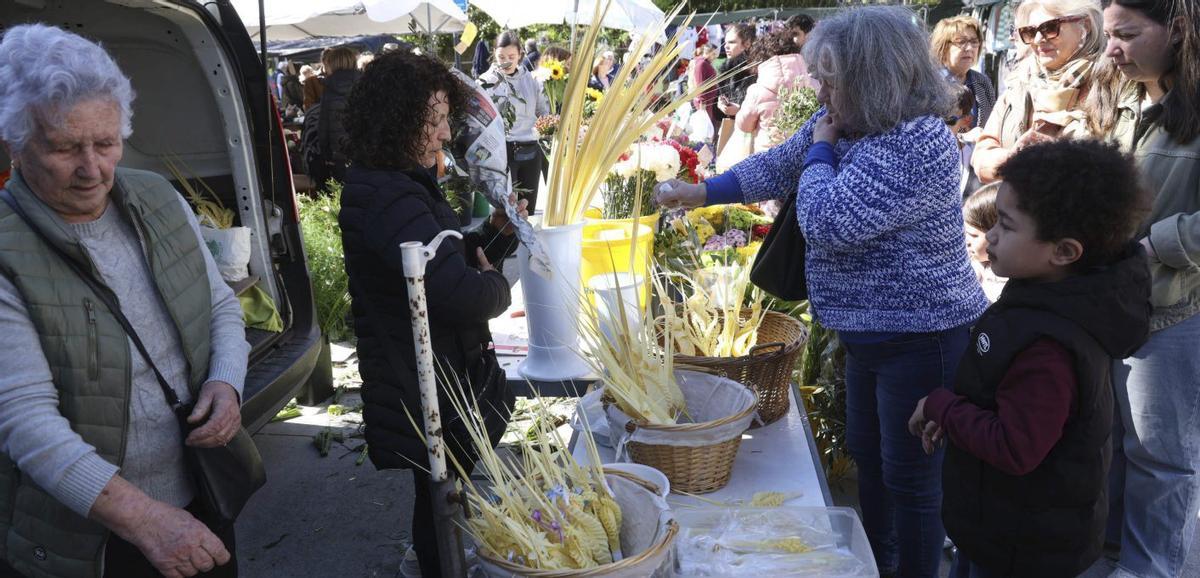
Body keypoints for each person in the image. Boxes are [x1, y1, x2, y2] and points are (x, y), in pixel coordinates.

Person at [657, 8, 987, 576]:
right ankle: (875, 562)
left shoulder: (920, 141)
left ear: (874, 77)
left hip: (920, 338)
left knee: (909, 477)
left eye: (832, 79)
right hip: (868, 336)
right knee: (870, 458)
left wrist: (822, 148)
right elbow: (777, 165)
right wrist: (698, 191)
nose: (821, 89)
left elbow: (826, 218)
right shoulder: (845, 119)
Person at [0, 24, 249, 577]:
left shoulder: (158, 198)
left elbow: (219, 307)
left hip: (200, 494)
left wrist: (226, 382)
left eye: (106, 142)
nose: (93, 169)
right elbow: (24, 421)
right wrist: (145, 520)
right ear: (15, 143)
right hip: (90, 538)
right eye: (65, 147)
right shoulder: (5, 248)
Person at [910, 140, 1152, 578]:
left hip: (1024, 547)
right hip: (1000, 527)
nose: (991, 236)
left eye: (1005, 224)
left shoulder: (1051, 346)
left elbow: (1015, 445)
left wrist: (942, 406)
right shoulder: (1043, 293)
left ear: (1063, 251)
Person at [338, 50, 528, 578]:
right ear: (402, 121)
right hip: (420, 377)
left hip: (434, 370)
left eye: (446, 119)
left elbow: (444, 255)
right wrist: (495, 285)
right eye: (437, 121)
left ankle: (441, 563)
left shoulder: (396, 184)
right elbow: (457, 293)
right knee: (440, 494)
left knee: (444, 490)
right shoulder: (386, 193)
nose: (446, 134)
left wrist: (495, 237)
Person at [1087, 0, 1200, 575]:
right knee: (1110, 445)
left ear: (1179, 28)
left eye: (1127, 35)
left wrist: (1160, 245)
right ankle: (1116, 557)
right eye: (1109, 35)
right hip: (1109, 306)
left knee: (1161, 459)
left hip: (1172, 313)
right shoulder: (1124, 102)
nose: (1111, 50)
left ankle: (1152, 568)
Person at [971, 0, 1106, 183]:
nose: (1037, 40)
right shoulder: (1020, 83)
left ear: (1086, 25)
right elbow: (981, 155)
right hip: (1013, 205)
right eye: (1030, 32)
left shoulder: (1107, 84)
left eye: (1050, 28)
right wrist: (1013, 158)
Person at [479, 31, 549, 214]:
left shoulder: (532, 79)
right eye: (501, 56)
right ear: (494, 53)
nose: (506, 61)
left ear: (520, 54)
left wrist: (550, 126)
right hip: (503, 151)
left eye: (511, 56)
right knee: (506, 209)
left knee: (529, 208)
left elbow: (542, 111)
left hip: (531, 148)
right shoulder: (486, 82)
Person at [735, 30, 812, 154]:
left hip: (769, 159)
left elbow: (744, 125)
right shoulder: (813, 83)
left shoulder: (757, 91)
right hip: (806, 154)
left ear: (758, 58)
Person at [302, 46, 359, 187]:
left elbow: (323, 126)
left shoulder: (330, 87)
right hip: (364, 153)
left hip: (338, 154)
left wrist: (326, 155)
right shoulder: (365, 83)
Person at [931, 15, 997, 131]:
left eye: (974, 42)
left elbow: (992, 125)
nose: (969, 48)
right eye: (961, 42)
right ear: (943, 46)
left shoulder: (983, 82)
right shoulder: (930, 84)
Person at [962, 184, 1007, 303]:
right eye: (964, 234)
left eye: (973, 236)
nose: (966, 242)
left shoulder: (1013, 280)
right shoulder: (975, 265)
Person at [716, 23, 757, 132]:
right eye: (725, 42)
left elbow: (764, 109)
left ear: (747, 44)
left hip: (751, 133)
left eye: (732, 42)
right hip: (731, 130)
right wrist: (721, 103)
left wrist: (740, 110)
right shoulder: (726, 70)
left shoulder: (757, 70)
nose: (726, 46)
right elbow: (722, 95)